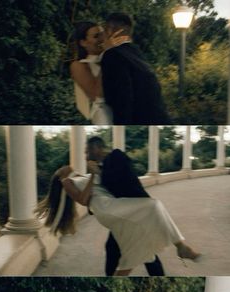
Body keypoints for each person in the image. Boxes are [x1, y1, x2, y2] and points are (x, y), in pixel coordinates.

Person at [36, 161, 201, 276]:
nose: (63, 166)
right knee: (153, 206)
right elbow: (83, 200)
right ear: (60, 175)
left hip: (111, 203)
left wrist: (97, 171)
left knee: (138, 244)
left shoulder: (79, 176)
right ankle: (181, 246)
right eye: (60, 168)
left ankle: (119, 275)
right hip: (105, 208)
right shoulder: (67, 181)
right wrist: (93, 175)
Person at [86, 136, 165, 276]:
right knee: (115, 249)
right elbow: (103, 192)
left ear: (97, 148)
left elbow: (120, 182)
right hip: (125, 215)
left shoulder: (118, 156)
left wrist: (98, 172)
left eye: (88, 151)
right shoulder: (101, 167)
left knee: (146, 253)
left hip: (139, 210)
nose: (86, 155)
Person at [101, 13, 171, 124]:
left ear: (111, 31)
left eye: (104, 30)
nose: (102, 36)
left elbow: (120, 99)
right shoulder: (136, 53)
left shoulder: (113, 55)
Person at [70, 21, 126, 124]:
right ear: (83, 42)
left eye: (102, 35)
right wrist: (108, 55)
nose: (102, 39)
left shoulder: (114, 60)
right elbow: (97, 95)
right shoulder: (78, 65)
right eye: (96, 36)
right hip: (103, 116)